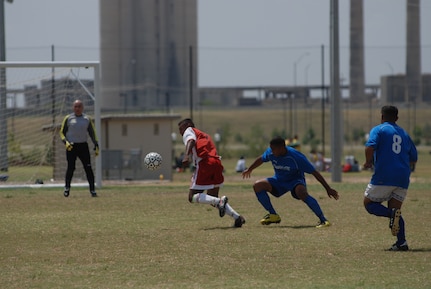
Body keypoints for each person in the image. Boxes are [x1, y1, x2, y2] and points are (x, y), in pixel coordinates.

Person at [242, 136, 339, 227]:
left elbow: (315, 173)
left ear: (281, 148)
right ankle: (273, 215)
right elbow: (261, 158)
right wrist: (250, 169)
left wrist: (328, 188)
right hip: (279, 181)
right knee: (257, 185)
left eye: (273, 149)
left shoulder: (296, 157)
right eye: (270, 148)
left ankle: (323, 220)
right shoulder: (271, 153)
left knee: (302, 193)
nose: (271, 151)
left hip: (295, 181)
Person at [363, 105, 417, 251]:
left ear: (382, 117)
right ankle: (401, 243)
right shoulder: (404, 133)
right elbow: (414, 157)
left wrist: (368, 162)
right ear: (397, 118)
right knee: (396, 212)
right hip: (403, 178)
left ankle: (391, 214)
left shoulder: (379, 129)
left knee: (369, 204)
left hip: (384, 175)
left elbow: (369, 147)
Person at [178, 118, 245, 227]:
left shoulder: (189, 130)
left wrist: (186, 156)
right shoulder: (203, 135)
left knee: (192, 197)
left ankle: (220, 201)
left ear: (188, 125)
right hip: (216, 163)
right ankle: (237, 218)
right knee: (212, 197)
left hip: (205, 163)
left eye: (181, 129)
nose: (181, 132)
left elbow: (191, 141)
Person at [60, 100, 99, 197]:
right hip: (71, 147)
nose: (77, 108)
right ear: (73, 107)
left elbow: (92, 132)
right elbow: (61, 133)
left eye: (79, 106)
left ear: (83, 108)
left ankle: (92, 190)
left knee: (88, 168)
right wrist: (66, 142)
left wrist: (96, 144)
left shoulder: (87, 119)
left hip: (83, 146)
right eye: (76, 106)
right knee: (71, 168)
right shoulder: (68, 118)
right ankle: (67, 188)